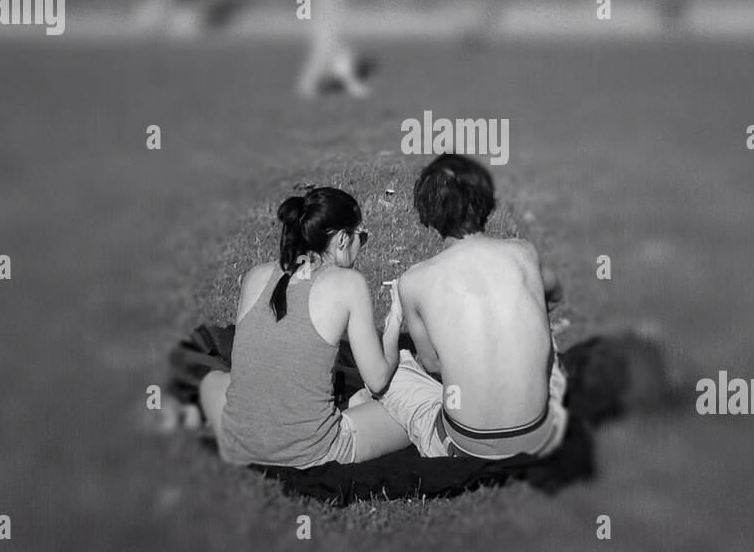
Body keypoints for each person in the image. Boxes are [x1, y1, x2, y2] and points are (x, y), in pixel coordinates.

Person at [199, 187, 411, 467]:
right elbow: (378, 379)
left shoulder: (255, 276)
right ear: (342, 239)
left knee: (213, 381)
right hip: (309, 451)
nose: (363, 244)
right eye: (362, 236)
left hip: (241, 444)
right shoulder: (349, 284)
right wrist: (394, 322)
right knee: (409, 413)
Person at [374, 155, 568, 459]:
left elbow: (433, 364)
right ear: (486, 200)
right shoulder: (523, 252)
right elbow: (554, 295)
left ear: (427, 211)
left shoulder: (415, 280)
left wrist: (396, 314)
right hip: (540, 436)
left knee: (393, 370)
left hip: (465, 447)